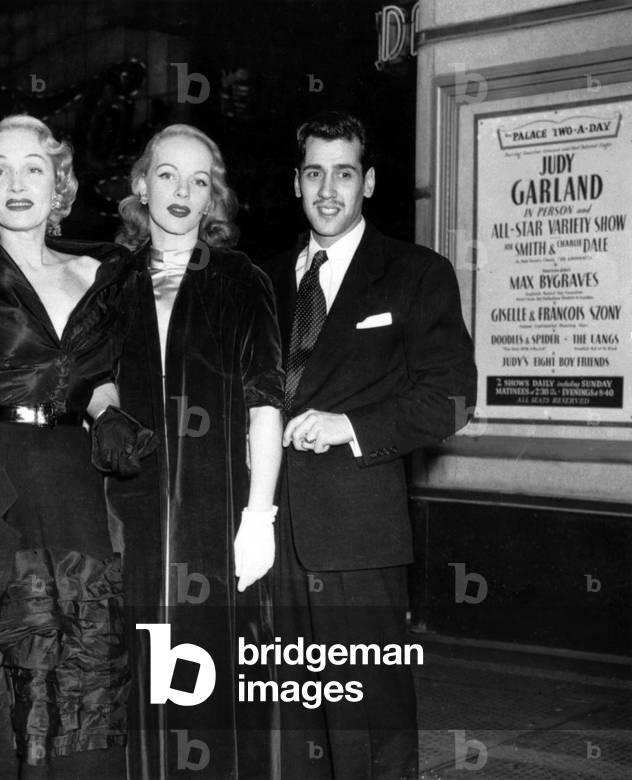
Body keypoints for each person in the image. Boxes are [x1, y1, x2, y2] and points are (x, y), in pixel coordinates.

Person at [0, 114, 145, 778]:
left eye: (32, 167)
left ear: (61, 185)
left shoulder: (109, 275)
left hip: (81, 496)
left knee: (86, 676)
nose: (16, 182)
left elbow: (113, 377)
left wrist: (111, 412)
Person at [267, 111, 477, 779]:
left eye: (345, 173)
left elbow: (453, 398)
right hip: (267, 540)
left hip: (359, 540)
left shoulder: (417, 275)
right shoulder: (261, 281)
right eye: (314, 173)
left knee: (368, 726)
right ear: (296, 182)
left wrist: (350, 427)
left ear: (370, 182)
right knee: (289, 726)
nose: (328, 190)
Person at [110, 124, 285, 778]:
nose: (183, 192)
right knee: (132, 687)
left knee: (204, 688)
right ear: (140, 184)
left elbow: (266, 399)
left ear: (215, 197)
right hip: (128, 518)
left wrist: (260, 517)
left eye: (199, 180)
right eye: (166, 175)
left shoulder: (240, 278)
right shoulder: (109, 277)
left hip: (214, 520)